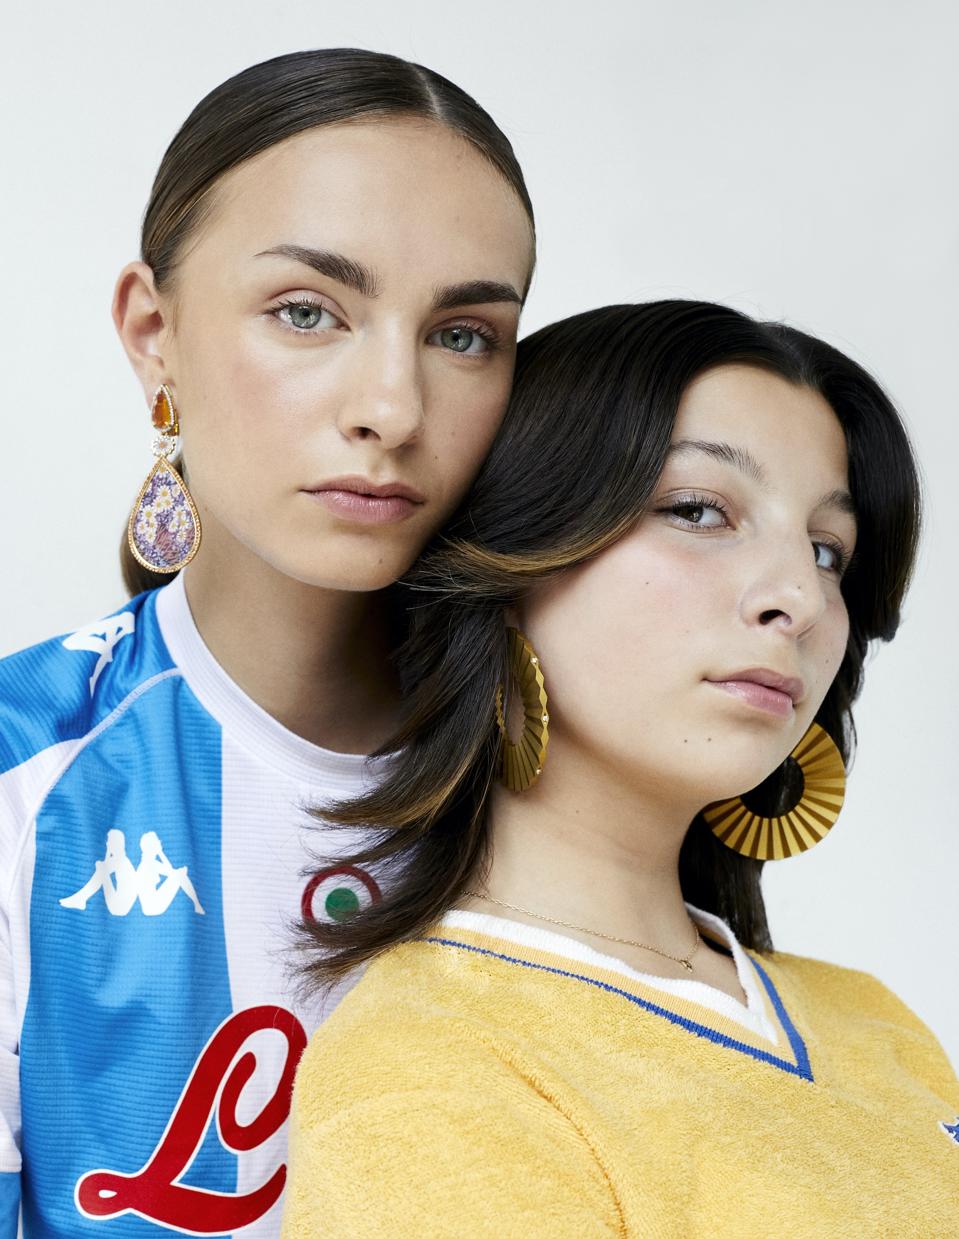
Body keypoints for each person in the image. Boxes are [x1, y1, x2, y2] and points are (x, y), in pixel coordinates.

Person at [0, 47, 534, 1237]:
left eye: (462, 336)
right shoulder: (23, 775)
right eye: (307, 312)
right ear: (153, 332)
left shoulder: (565, 779)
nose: (391, 408)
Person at [284, 301, 959, 1236]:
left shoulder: (877, 1025)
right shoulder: (423, 1069)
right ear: (512, 569)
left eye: (824, 549)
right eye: (698, 510)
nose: (799, 597)